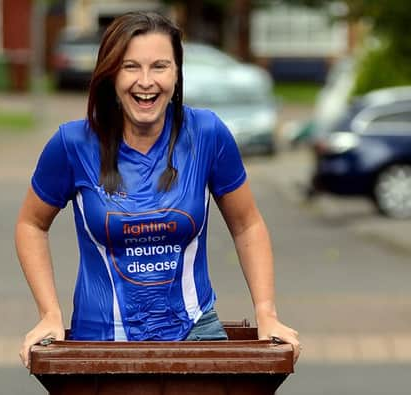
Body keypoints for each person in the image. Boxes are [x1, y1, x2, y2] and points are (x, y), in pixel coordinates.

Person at [16, 11, 300, 368]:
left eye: (160, 66)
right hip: (101, 342)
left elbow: (247, 224)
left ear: (177, 73)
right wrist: (48, 313)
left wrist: (267, 313)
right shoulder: (73, 143)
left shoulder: (207, 134)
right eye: (131, 66)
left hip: (195, 335)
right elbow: (31, 224)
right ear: (111, 74)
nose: (146, 82)